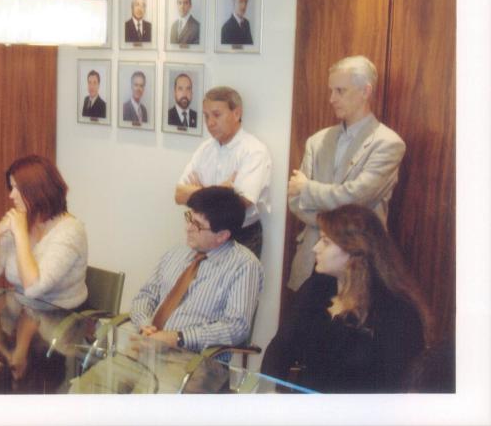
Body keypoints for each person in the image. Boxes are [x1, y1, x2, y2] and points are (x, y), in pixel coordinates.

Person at [261, 204, 427, 393]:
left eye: (325, 242)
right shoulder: (316, 289)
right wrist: (270, 392)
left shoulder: (397, 310)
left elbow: (398, 386)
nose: (315, 248)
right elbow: (279, 349)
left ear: (354, 249)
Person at [286, 55, 406, 290]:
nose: (332, 99)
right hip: (310, 261)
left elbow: (357, 199)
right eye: (331, 91)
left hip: (358, 266)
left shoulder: (388, 143)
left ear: (365, 91)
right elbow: (295, 201)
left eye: (340, 91)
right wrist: (324, 203)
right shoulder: (317, 141)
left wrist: (307, 188)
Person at [130, 186, 263, 353]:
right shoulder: (178, 251)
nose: (188, 228)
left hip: (193, 358)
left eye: (197, 225)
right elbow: (146, 295)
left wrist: (178, 338)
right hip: (146, 346)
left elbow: (236, 327)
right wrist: (145, 325)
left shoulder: (244, 265)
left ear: (222, 235)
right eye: (189, 218)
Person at [0, 155, 88, 309]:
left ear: (39, 190)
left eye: (18, 188)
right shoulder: (22, 219)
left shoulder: (71, 231)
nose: (11, 195)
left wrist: (20, 234)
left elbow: (34, 288)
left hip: (61, 317)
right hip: (22, 311)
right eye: (12, 187)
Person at [175, 86, 271, 258]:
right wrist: (222, 190)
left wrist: (199, 193)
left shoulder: (254, 151)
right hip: (204, 233)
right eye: (206, 116)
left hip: (241, 236)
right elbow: (179, 194)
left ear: (237, 113)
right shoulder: (204, 150)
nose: (210, 123)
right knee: (200, 276)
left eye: (217, 115)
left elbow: (241, 203)